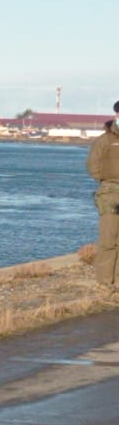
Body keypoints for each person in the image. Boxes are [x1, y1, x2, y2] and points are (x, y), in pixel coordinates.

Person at [86, 100, 119, 287]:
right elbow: (93, 166)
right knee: (108, 239)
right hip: (110, 193)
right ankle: (105, 283)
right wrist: (108, 180)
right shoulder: (104, 141)